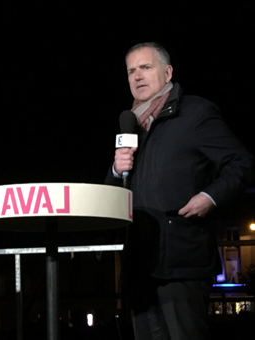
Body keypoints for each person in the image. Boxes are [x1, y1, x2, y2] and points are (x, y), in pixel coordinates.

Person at [105, 42, 253, 340]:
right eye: (131, 71)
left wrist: (210, 197)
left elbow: (241, 163)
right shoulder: (131, 126)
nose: (137, 76)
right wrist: (116, 170)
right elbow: (112, 196)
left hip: (183, 260)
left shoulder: (195, 113)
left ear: (167, 71)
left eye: (145, 67)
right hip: (139, 264)